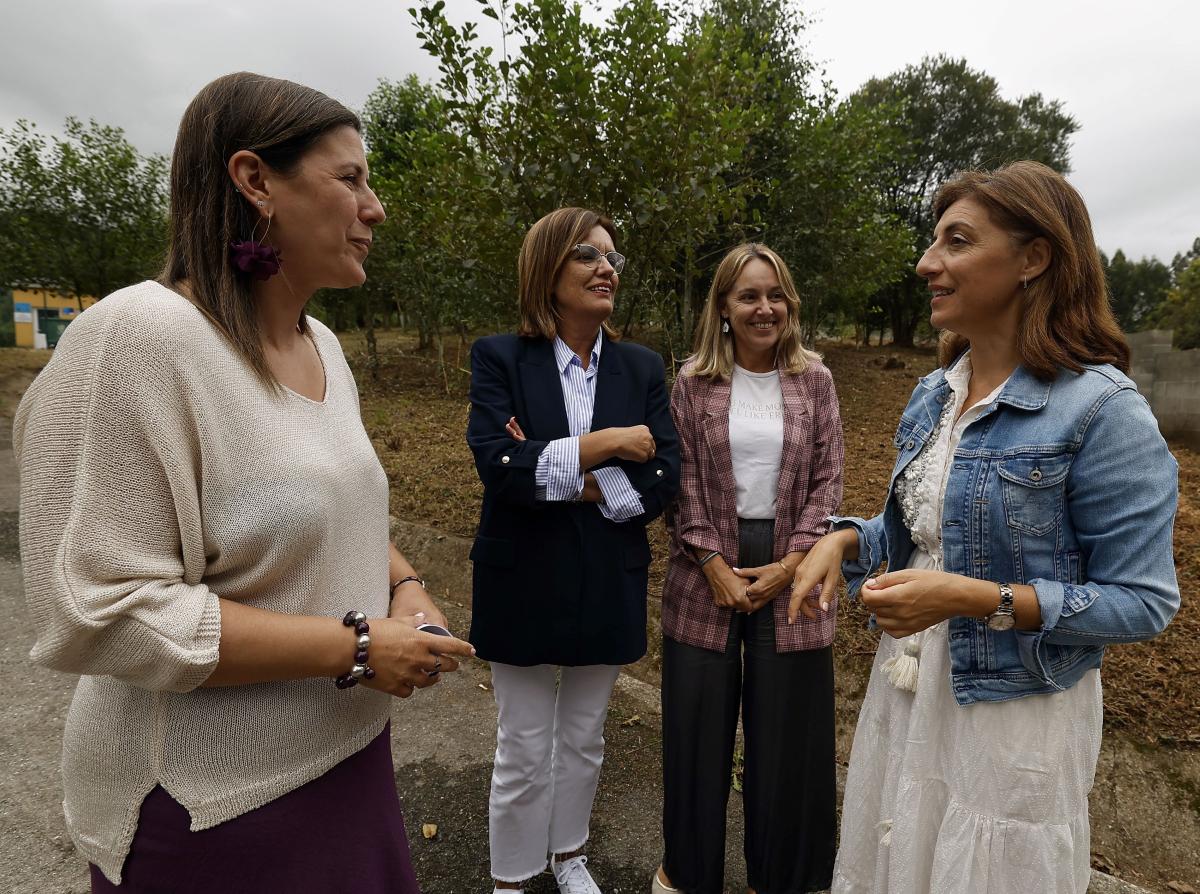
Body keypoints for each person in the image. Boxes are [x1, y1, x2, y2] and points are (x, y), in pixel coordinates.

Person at [14, 72, 474, 893]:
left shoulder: (321, 345)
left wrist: (403, 586)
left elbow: (334, 506)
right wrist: (357, 647)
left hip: (349, 759)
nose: (375, 209)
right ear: (256, 180)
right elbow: (100, 612)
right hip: (213, 805)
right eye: (351, 178)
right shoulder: (139, 339)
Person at [787, 161, 1180, 894]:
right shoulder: (936, 392)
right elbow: (929, 530)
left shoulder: (1102, 410)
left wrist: (976, 599)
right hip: (909, 690)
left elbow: (1143, 601)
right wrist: (847, 541)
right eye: (935, 240)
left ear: (1034, 258)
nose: (926, 262)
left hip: (1013, 716)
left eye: (957, 241)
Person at [465, 206, 680, 894]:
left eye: (613, 257)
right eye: (588, 254)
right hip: (520, 578)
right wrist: (608, 445)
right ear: (546, 268)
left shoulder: (642, 367)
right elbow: (497, 464)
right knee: (524, 745)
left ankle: (569, 857)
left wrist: (552, 467)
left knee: (585, 737)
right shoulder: (499, 357)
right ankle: (511, 877)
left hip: (607, 576)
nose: (606, 267)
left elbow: (664, 475)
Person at [653, 243, 844, 894]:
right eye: (749, 296)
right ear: (724, 309)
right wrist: (711, 560)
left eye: (775, 295)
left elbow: (828, 480)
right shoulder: (692, 382)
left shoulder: (816, 380)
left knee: (789, 736)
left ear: (790, 304)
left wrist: (792, 562)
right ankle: (688, 875)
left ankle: (781, 878)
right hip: (703, 567)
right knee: (696, 731)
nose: (765, 308)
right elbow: (677, 480)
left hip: (795, 569)